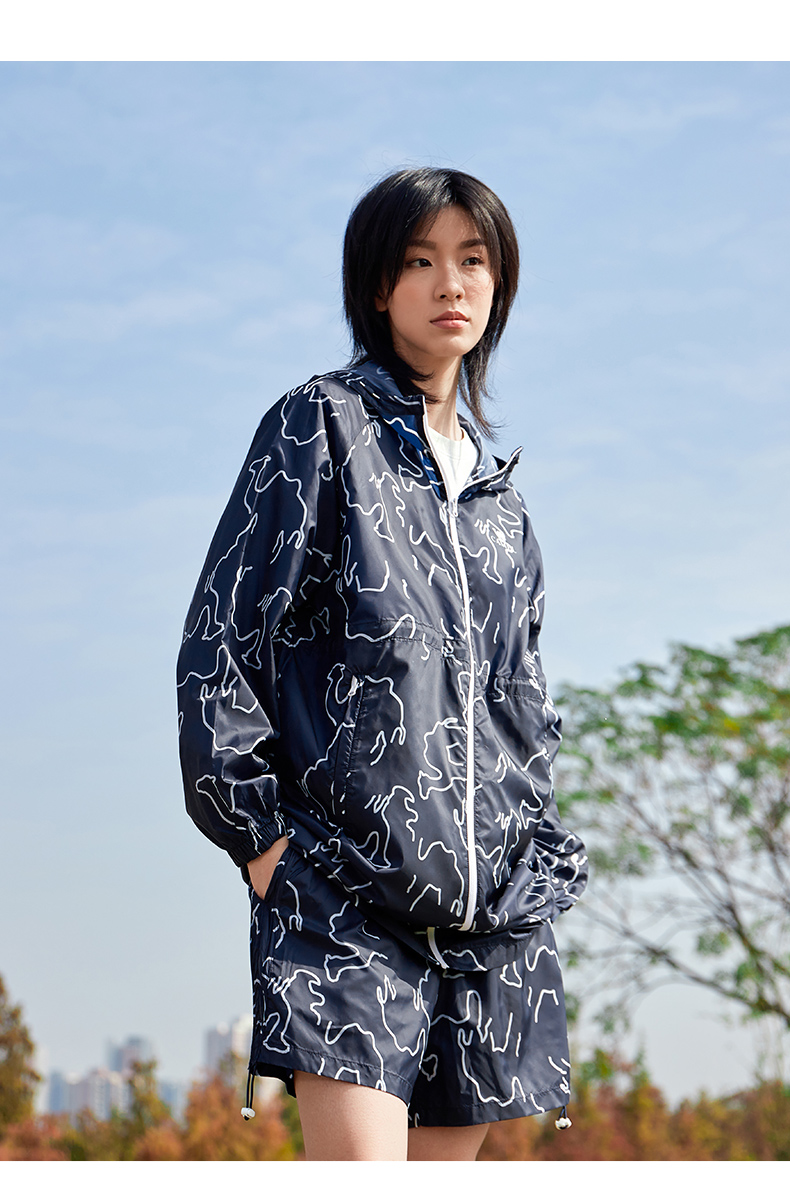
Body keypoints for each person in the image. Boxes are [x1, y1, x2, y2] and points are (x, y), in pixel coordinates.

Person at [176, 166, 588, 1161]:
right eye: (420, 260)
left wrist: (532, 854)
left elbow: (522, 704)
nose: (451, 283)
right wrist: (263, 849)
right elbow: (222, 645)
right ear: (377, 286)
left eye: (472, 260)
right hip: (344, 902)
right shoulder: (318, 427)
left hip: (490, 922)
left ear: (498, 283)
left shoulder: (501, 503)